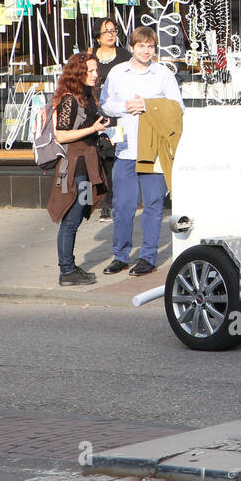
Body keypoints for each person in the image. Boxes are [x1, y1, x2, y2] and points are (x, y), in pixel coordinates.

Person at [99, 26, 184, 277]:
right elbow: (105, 104)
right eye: (141, 46)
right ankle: (121, 256)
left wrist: (149, 106)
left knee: (153, 205)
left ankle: (148, 257)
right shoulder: (117, 73)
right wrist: (125, 106)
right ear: (132, 48)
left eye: (151, 46)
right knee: (123, 206)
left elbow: (177, 109)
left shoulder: (163, 75)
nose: (146, 51)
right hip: (126, 149)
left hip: (155, 150)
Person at [47, 53, 112, 286]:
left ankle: (70, 266)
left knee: (80, 211)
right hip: (75, 167)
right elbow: (61, 135)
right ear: (78, 74)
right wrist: (92, 128)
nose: (96, 74)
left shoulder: (86, 96)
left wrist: (101, 132)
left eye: (96, 70)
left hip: (86, 164)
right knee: (71, 218)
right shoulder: (69, 100)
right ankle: (66, 271)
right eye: (91, 71)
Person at [90, 18, 129, 220]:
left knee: (113, 158)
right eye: (106, 31)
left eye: (113, 30)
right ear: (98, 36)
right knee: (96, 158)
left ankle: (111, 203)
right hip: (94, 115)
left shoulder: (124, 56)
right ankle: (92, 201)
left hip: (116, 115)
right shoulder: (89, 57)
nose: (111, 34)